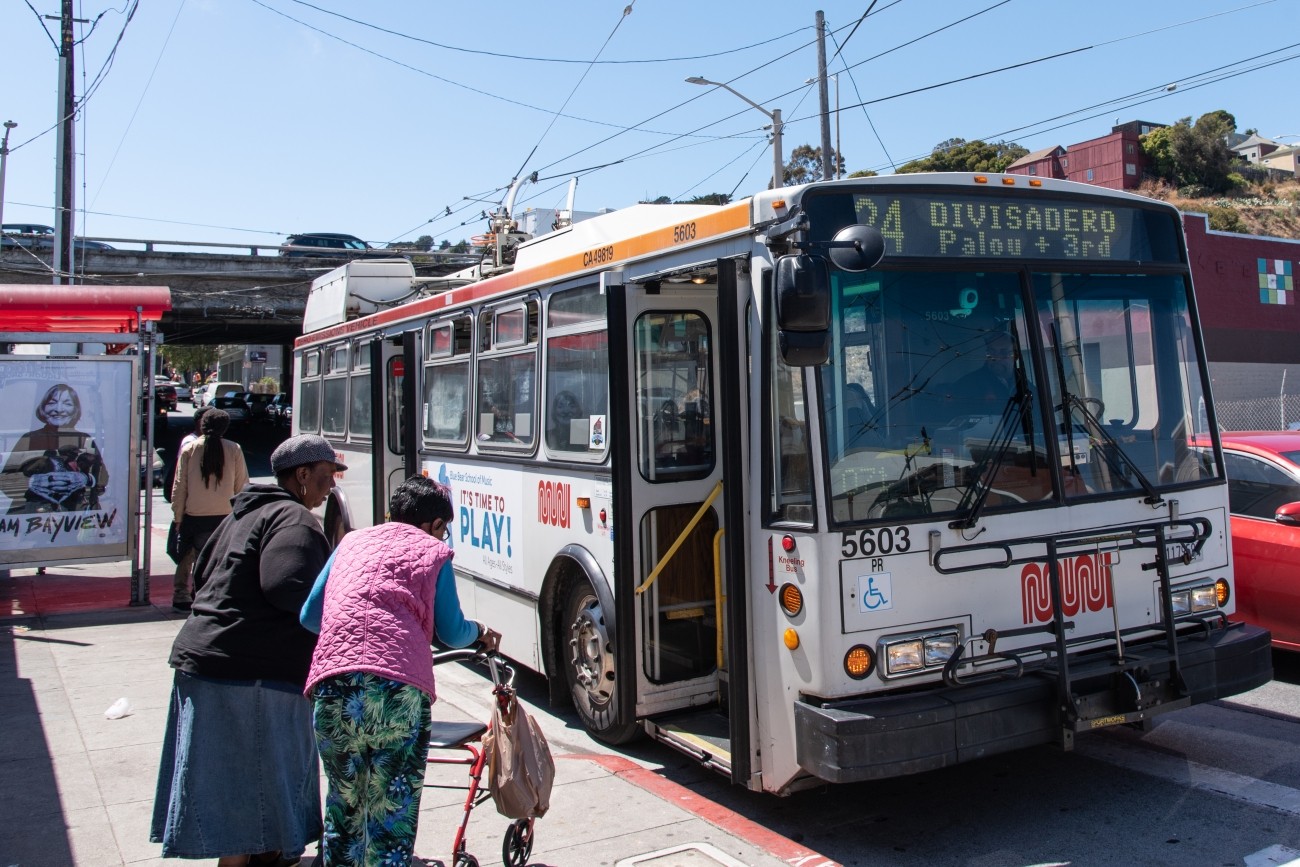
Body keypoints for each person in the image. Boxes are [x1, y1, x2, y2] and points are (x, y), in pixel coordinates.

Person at [151, 434, 345, 867]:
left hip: (208, 665)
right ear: (300, 475)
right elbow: (287, 586)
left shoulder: (241, 515)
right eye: (326, 476)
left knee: (243, 806)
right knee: (257, 805)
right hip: (249, 675)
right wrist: (337, 622)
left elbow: (202, 576)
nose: (331, 486)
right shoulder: (294, 519)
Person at [302, 476, 501, 867]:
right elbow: (451, 630)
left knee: (344, 811)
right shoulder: (432, 553)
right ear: (436, 525)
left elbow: (310, 616)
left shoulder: (350, 542)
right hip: (396, 694)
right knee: (390, 815)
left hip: (333, 689)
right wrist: (480, 632)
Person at [169, 408, 248, 612]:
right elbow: (242, 486)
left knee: (186, 557)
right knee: (217, 558)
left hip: (194, 515)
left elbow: (180, 487)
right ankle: (206, 593)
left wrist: (178, 517)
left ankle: (181, 595)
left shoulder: (190, 449)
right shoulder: (234, 449)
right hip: (224, 515)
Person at [1, 383, 108, 514]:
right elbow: (5, 482)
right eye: (52, 402)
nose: (58, 409)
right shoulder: (29, 438)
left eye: (67, 404)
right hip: (33, 517)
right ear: (43, 408)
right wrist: (31, 482)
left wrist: (85, 478)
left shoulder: (83, 439)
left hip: (74, 515)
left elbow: (103, 480)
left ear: (75, 410)